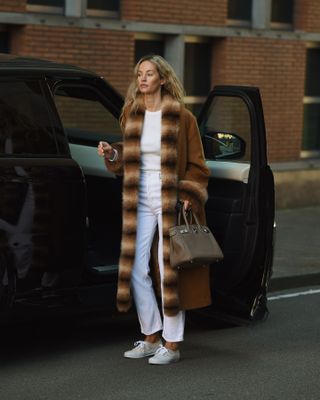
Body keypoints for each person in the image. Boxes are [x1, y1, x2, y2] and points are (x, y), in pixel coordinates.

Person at [97, 55, 211, 365]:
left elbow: (198, 166)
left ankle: (172, 344)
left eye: (149, 74)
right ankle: (150, 335)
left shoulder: (182, 117)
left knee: (169, 269)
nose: (143, 79)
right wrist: (112, 154)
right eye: (139, 74)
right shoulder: (132, 116)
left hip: (169, 196)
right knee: (135, 267)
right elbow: (127, 161)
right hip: (141, 195)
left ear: (162, 79)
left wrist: (190, 192)